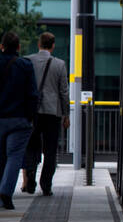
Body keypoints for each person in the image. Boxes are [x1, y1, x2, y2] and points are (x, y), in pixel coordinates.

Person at [22, 31, 70, 197]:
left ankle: (30, 180)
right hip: (52, 113)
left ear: (39, 44)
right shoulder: (60, 65)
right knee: (50, 150)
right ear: (53, 45)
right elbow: (64, 92)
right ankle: (46, 185)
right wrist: (66, 115)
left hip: (32, 111)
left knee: (31, 146)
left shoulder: (27, 61)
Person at [0, 30, 38, 210]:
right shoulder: (25, 65)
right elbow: (32, 94)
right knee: (14, 156)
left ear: (1, 46)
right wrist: (30, 117)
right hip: (19, 120)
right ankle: (6, 192)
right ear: (19, 47)